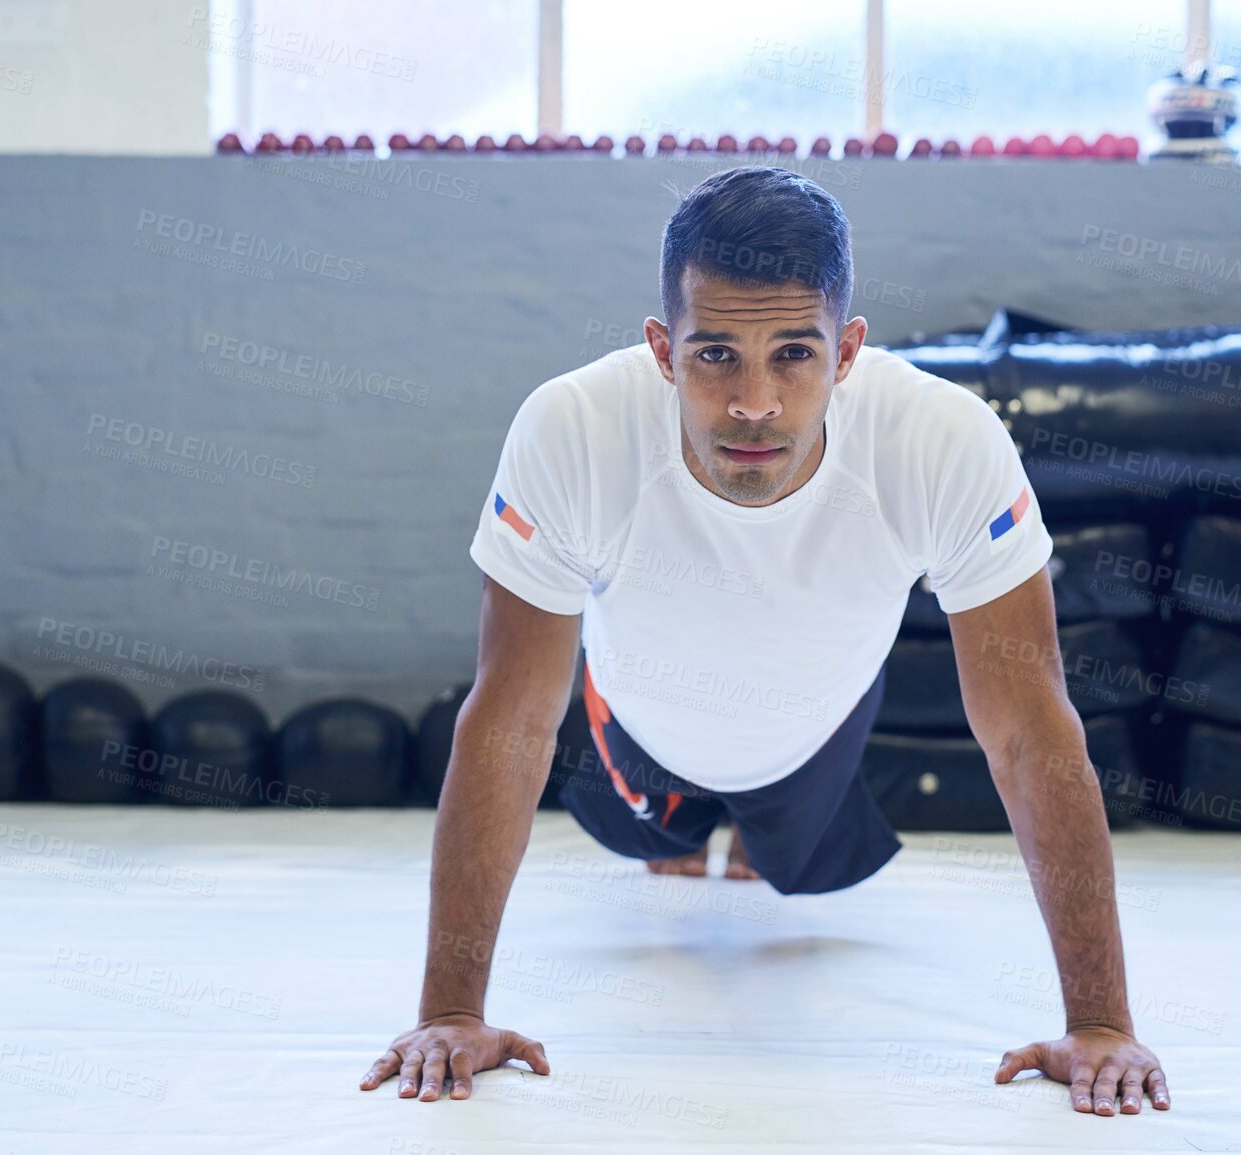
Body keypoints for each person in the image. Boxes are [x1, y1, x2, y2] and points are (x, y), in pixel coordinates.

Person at [361, 166, 1170, 1117]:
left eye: (793, 353)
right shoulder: (573, 428)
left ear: (849, 350)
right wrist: (450, 1009)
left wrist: (1101, 1022)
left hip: (815, 727)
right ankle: (680, 818)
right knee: (649, 831)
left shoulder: (943, 438)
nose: (754, 403)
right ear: (662, 349)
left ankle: (752, 826)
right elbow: (507, 715)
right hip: (639, 724)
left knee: (788, 872)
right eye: (714, 356)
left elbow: (1032, 730)